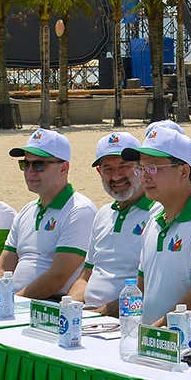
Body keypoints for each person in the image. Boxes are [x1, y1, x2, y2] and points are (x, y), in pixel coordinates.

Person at [0, 129, 97, 299]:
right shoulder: (27, 211)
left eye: (39, 165)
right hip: (18, 303)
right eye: (25, 164)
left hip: (49, 305)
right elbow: (3, 266)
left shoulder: (79, 211)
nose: (30, 171)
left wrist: (13, 302)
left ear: (63, 168)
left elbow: (57, 278)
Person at [129, 122, 191, 324]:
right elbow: (141, 287)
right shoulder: (153, 221)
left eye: (152, 168)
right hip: (150, 340)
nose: (144, 177)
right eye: (141, 168)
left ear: (184, 172)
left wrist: (154, 332)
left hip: (182, 345)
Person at [69, 131, 156, 315]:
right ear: (99, 172)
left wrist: (100, 314)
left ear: (141, 167)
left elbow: (152, 287)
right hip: (90, 315)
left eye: (124, 166)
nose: (116, 176)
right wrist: (70, 307)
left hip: (125, 318)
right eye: (108, 169)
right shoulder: (103, 214)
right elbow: (86, 276)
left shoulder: (158, 215)